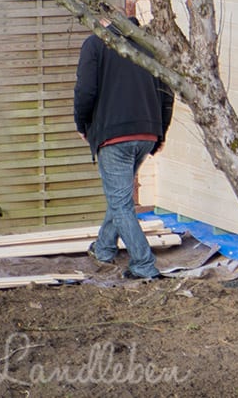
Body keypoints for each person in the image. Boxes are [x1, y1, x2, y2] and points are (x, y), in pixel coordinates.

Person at [74, 14, 174, 279]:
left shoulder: (95, 44)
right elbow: (167, 92)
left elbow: (85, 91)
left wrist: (82, 125)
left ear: (103, 19)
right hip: (147, 133)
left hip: (114, 136)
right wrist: (160, 132)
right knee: (119, 198)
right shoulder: (148, 46)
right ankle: (104, 249)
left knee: (120, 203)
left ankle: (144, 265)